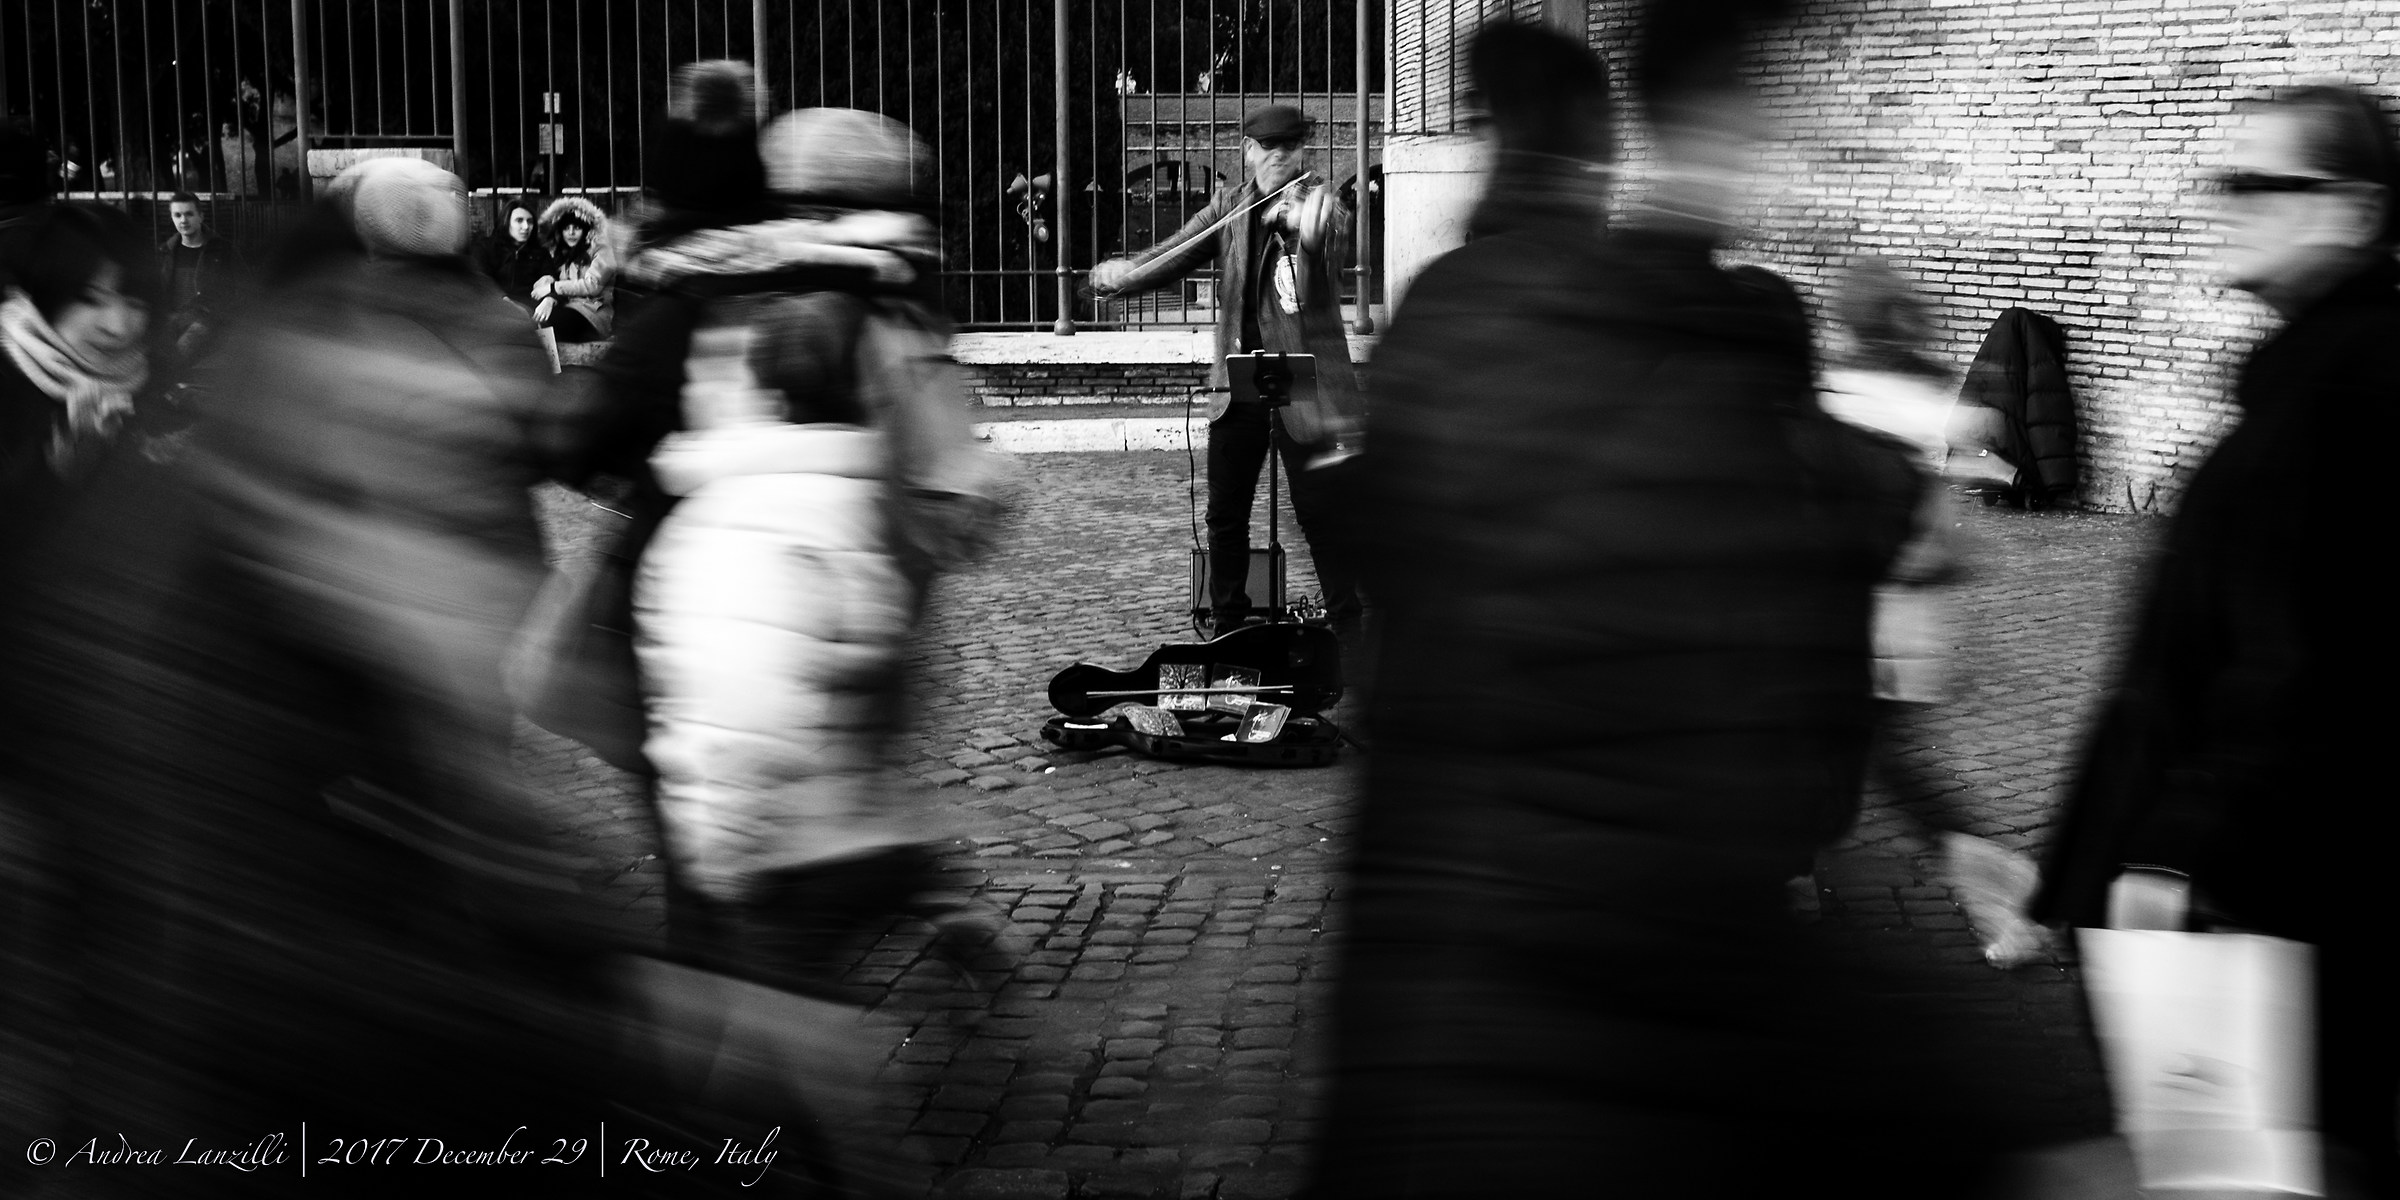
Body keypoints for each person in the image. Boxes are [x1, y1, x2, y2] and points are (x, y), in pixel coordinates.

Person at [1308, 16, 2023, 1197]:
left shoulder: (1462, 321)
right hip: (1591, 1027)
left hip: (1431, 1011)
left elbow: (1383, 540)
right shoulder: (1709, 350)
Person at [2031, 82, 2400, 1198]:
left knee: (2244, 1165)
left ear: (2351, 210)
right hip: (2268, 883)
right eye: (2219, 177)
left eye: (2255, 182)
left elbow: (2307, 658)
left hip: (2253, 892)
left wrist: (2185, 851)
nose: (2220, 203)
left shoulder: (2349, 388)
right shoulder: (2311, 377)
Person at [1088, 103, 1362, 633]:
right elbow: (1175, 252)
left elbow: (1330, 245)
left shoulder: (1324, 202)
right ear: (1249, 152)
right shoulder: (1229, 207)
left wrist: (1302, 228)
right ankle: (1230, 625)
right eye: (1269, 148)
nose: (1281, 157)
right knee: (1226, 515)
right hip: (1239, 381)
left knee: (1319, 515)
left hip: (1306, 386)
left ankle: (1347, 625)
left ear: (1303, 151)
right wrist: (1123, 276)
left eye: (1291, 148)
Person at [157, 190, 244, 358]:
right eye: (177, 215)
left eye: (189, 214)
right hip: (173, 322)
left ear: (201, 216)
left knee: (177, 354)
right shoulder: (165, 252)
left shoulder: (222, 250)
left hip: (208, 322)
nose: (183, 220)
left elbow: (244, 290)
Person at [535, 195, 615, 342]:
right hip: (567, 306)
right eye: (566, 228)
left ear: (585, 229)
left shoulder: (601, 250)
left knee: (554, 321)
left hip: (592, 312)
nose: (571, 233)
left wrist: (553, 287)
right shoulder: (559, 253)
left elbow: (592, 286)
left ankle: (549, 363)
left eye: (576, 228)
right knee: (535, 317)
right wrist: (549, 296)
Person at [477, 196, 548, 315]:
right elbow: (481, 280)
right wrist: (507, 303)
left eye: (530, 221)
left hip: (532, 306)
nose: (526, 227)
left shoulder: (540, 253)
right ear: (506, 222)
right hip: (495, 305)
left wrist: (550, 299)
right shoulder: (486, 247)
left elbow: (550, 278)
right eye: (519, 220)